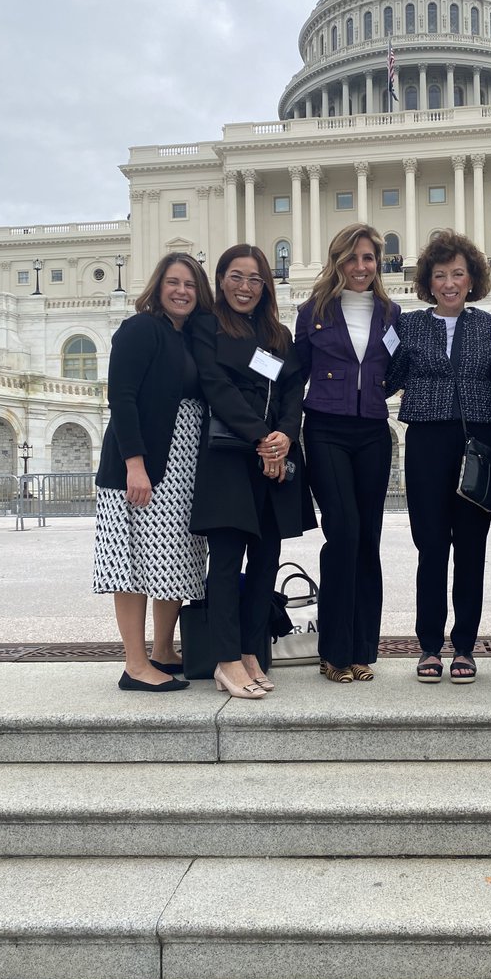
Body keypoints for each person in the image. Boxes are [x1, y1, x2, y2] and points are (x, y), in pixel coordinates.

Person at [190, 244, 314, 699]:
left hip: (273, 462)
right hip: (229, 456)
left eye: (255, 279)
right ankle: (225, 659)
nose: (245, 287)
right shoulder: (208, 327)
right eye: (236, 277)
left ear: (266, 285)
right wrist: (262, 437)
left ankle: (250, 652)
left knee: (265, 563)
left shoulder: (278, 334)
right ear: (221, 280)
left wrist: (284, 436)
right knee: (225, 563)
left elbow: (292, 390)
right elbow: (215, 386)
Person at [93, 252, 215, 692]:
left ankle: (164, 650)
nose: (182, 291)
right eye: (173, 282)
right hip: (142, 463)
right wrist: (135, 465)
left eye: (190, 284)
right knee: (132, 564)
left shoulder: (191, 337)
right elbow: (121, 397)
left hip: (182, 464)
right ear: (158, 286)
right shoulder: (140, 328)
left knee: (174, 558)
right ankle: (135, 664)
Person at [386, 230, 491, 683]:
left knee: (471, 551)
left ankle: (466, 647)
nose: (450, 282)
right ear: (428, 282)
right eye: (440, 275)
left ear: (472, 279)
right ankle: (429, 645)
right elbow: (386, 378)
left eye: (458, 273)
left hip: (477, 445)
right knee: (431, 549)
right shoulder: (408, 326)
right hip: (428, 444)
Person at [294, 223, 401, 683]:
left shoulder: (390, 312)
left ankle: (362, 650)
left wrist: (375, 392)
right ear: (337, 262)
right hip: (325, 430)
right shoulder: (312, 310)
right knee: (344, 533)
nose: (361, 267)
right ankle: (332, 650)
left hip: (372, 433)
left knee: (368, 538)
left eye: (368, 258)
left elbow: (396, 370)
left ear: (377, 263)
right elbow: (294, 372)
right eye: (352, 258)